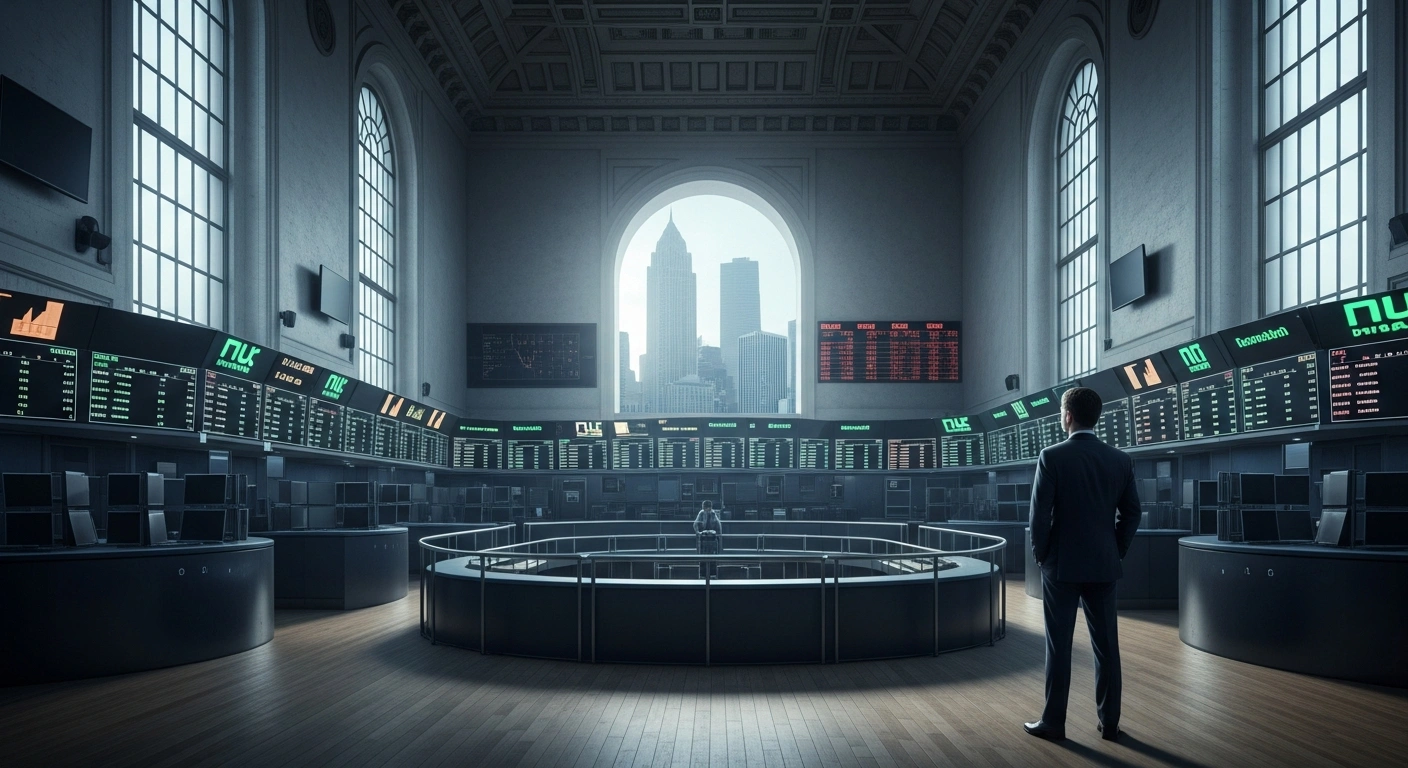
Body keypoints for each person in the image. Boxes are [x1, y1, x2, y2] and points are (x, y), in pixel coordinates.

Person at [1024, 386, 1142, 743]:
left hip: (1061, 566)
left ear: (1068, 416)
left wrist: (1042, 556)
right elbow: (1132, 513)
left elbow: (1039, 516)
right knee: (1107, 647)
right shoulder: (1121, 460)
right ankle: (1109, 724)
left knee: (1059, 647)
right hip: (1104, 566)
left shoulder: (1052, 456)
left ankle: (1054, 724)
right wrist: (1116, 550)